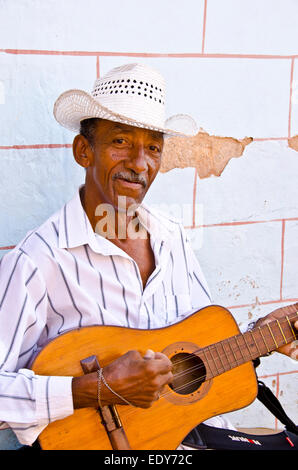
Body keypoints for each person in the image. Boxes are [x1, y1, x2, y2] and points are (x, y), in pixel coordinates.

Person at [0, 63, 297, 450]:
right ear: (84, 150)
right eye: (121, 141)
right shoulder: (37, 262)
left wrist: (259, 338)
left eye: (153, 148)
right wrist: (94, 389)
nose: (140, 163)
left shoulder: (171, 237)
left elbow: (198, 356)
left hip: (186, 438)